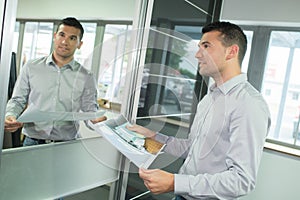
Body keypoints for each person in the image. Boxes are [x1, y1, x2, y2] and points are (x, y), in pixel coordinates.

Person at [127, 21, 271, 199]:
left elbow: (241, 180)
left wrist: (175, 182)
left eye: (206, 46)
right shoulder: (209, 98)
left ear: (231, 52)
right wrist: (152, 136)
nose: (197, 54)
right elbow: (193, 148)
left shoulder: (248, 104)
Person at [4, 17, 106, 146]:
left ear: (79, 44)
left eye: (72, 38)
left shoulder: (86, 76)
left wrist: (97, 122)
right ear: (54, 36)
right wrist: (10, 116)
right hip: (32, 142)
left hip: (66, 145)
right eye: (61, 35)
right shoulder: (31, 67)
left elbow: (89, 112)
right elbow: (18, 100)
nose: (64, 41)